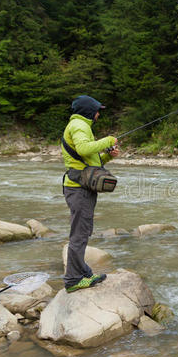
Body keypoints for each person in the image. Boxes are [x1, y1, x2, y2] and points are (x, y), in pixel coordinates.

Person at [61, 95, 120, 293]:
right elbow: (83, 148)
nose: (98, 114)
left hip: (82, 187)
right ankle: (72, 280)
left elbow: (90, 161)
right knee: (79, 234)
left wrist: (107, 156)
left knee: (83, 231)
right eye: (97, 111)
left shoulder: (81, 126)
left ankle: (83, 271)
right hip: (79, 190)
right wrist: (108, 140)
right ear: (88, 111)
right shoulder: (79, 125)